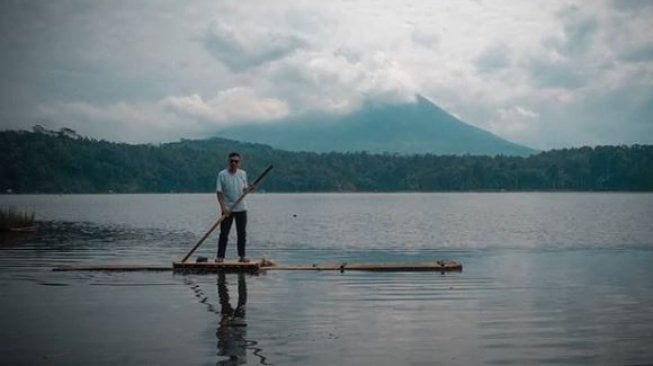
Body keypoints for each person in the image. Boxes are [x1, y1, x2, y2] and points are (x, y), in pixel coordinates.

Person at [216, 152, 253, 263]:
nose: (233, 163)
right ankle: (220, 257)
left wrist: (250, 189)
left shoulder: (243, 174)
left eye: (236, 161)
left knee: (241, 233)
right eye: (231, 161)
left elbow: (244, 190)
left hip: (241, 208)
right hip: (227, 209)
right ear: (228, 162)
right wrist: (223, 208)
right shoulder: (222, 174)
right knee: (224, 233)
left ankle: (242, 256)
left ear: (239, 163)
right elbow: (219, 193)